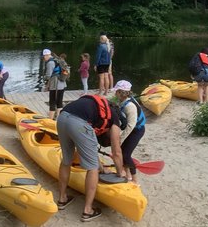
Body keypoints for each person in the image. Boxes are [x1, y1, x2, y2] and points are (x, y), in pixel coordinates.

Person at [56, 94, 124, 222]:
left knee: (66, 160)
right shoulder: (115, 119)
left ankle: (62, 199)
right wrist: (120, 173)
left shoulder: (95, 108)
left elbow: (89, 150)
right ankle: (88, 210)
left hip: (62, 117)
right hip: (78, 123)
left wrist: (102, 168)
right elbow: (117, 152)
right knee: (92, 168)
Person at [113, 80, 146, 183]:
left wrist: (120, 138)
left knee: (126, 154)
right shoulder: (122, 101)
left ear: (121, 92)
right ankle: (127, 175)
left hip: (137, 130)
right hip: (132, 129)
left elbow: (131, 125)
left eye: (116, 91)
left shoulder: (130, 106)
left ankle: (135, 180)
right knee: (122, 152)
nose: (115, 93)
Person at [42, 49, 66, 119]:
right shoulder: (56, 60)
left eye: (44, 56)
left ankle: (50, 120)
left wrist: (44, 78)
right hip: (62, 84)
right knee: (59, 102)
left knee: (52, 102)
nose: (44, 58)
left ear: (47, 55)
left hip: (55, 85)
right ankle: (58, 119)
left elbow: (48, 76)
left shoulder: (50, 63)